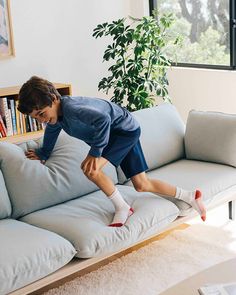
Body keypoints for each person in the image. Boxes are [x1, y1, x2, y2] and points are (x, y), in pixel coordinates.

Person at [18, 76, 206, 227]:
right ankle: (191, 196)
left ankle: (122, 207)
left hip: (123, 132)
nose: (41, 120)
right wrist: (44, 153)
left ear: (53, 99)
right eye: (36, 118)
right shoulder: (56, 118)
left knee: (90, 168)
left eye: (42, 114)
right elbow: (51, 131)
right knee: (141, 184)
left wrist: (95, 152)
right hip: (120, 132)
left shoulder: (73, 109)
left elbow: (103, 120)